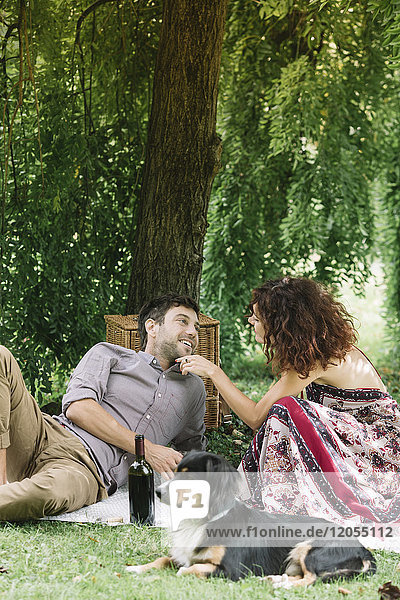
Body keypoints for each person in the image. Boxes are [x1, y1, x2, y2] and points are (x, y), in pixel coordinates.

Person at [177, 277, 400, 523]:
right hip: (363, 444)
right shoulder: (315, 349)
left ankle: (279, 500)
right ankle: (258, 492)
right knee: (286, 410)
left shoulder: (317, 358)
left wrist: (214, 373)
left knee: (286, 410)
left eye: (257, 318)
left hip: (381, 454)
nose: (251, 321)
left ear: (279, 324)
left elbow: (255, 417)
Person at [0, 294, 206, 521]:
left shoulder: (193, 389)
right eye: (182, 321)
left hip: (86, 471)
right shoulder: (110, 354)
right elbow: (78, 408)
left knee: (38, 496)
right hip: (45, 433)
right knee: (2, 357)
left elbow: (192, 451)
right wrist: (147, 449)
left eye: (195, 326)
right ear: (152, 327)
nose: (193, 332)